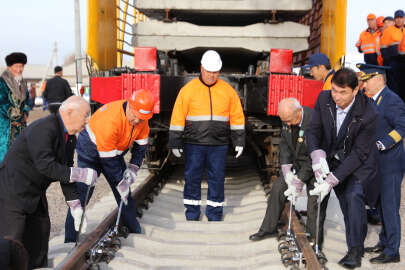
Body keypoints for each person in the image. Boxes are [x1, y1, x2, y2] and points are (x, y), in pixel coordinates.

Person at [0, 96, 96, 269]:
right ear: (69, 112)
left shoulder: (70, 136)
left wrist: (75, 205)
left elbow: (65, 167)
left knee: (40, 234)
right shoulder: (45, 127)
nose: (88, 120)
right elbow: (46, 165)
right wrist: (80, 174)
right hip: (13, 190)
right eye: (86, 115)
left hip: (35, 191)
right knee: (11, 242)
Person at [307, 68, 379, 269]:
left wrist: (333, 180)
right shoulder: (324, 99)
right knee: (318, 197)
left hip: (358, 164)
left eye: (342, 92)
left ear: (356, 90)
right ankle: (314, 242)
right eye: (334, 91)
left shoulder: (369, 113)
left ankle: (355, 251)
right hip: (330, 158)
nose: (336, 97)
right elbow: (313, 130)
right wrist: (316, 155)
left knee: (352, 199)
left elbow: (359, 154)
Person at [64, 89, 155, 242]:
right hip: (90, 153)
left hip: (113, 153)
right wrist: (120, 181)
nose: (138, 121)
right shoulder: (111, 119)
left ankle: (134, 228)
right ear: (130, 106)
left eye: (142, 119)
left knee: (124, 194)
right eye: (136, 117)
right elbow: (109, 162)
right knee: (83, 194)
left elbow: (141, 148)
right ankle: (70, 239)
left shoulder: (142, 121)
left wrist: (133, 168)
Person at [168, 50, 245, 221]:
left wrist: (239, 140)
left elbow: (237, 116)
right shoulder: (188, 90)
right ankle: (192, 213)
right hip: (193, 143)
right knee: (192, 178)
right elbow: (177, 117)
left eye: (215, 72)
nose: (212, 75)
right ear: (202, 68)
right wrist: (174, 142)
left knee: (217, 179)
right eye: (209, 71)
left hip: (219, 144)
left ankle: (215, 213)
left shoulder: (228, 91)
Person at [249, 98, 329, 249]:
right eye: (284, 121)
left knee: (315, 204)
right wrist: (286, 170)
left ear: (299, 112)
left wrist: (300, 179)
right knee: (278, 188)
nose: (287, 124)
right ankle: (267, 228)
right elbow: (285, 144)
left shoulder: (315, 121)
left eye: (290, 120)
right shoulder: (288, 118)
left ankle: (315, 241)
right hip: (297, 165)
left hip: (315, 166)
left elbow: (314, 154)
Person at [358, 64, 405, 264]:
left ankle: (392, 251)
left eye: (367, 80)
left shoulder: (392, 100)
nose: (364, 84)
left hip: (390, 164)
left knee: (389, 207)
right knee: (379, 206)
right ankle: (384, 241)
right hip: (376, 164)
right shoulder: (371, 100)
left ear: (379, 79)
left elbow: (401, 128)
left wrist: (382, 144)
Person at [0, 52, 31, 162]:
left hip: (21, 124)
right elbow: (2, 103)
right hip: (6, 126)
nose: (20, 69)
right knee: (5, 156)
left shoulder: (23, 82)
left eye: (22, 66)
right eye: (17, 66)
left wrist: (26, 113)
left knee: (21, 154)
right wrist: (16, 117)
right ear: (9, 67)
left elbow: (27, 100)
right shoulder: (2, 82)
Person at [380, 11, 403, 95]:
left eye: (401, 17)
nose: (399, 19)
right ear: (395, 20)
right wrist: (388, 63)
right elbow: (383, 48)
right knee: (394, 87)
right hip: (393, 63)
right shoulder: (388, 31)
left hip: (403, 63)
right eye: (397, 18)